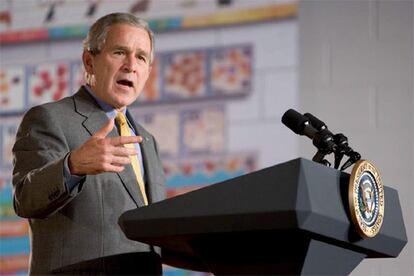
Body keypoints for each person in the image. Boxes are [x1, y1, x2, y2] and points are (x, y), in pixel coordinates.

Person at [12, 13, 166, 275]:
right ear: (89, 61)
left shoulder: (147, 140)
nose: (131, 65)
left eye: (141, 57)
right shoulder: (50, 118)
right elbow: (26, 199)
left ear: (148, 72)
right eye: (119, 52)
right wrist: (72, 166)